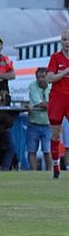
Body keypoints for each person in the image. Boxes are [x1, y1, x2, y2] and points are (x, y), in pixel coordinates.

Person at [46, 28, 69, 179]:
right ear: (61, 42)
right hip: (57, 98)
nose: (67, 43)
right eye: (64, 40)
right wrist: (65, 72)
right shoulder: (55, 57)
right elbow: (49, 78)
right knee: (55, 133)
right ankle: (56, 165)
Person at [26, 68, 51, 171]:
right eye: (38, 77)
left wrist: (49, 105)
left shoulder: (53, 86)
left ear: (47, 76)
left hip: (48, 125)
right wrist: (50, 105)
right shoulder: (32, 85)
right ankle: (33, 174)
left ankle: (50, 172)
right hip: (34, 124)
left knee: (47, 151)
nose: (40, 79)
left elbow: (49, 104)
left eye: (43, 77)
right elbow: (40, 104)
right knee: (32, 151)